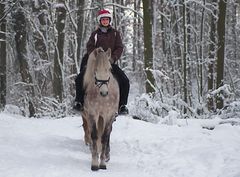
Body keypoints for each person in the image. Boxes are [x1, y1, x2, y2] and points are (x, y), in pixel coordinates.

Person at [74, 9, 130, 115]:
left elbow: (119, 47)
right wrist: (95, 55)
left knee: (125, 80)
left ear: (109, 20)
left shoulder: (115, 33)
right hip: (95, 62)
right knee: (79, 78)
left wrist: (112, 58)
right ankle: (79, 102)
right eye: (103, 20)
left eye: (107, 20)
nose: (105, 21)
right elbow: (89, 46)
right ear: (100, 21)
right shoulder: (95, 34)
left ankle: (122, 105)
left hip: (110, 62)